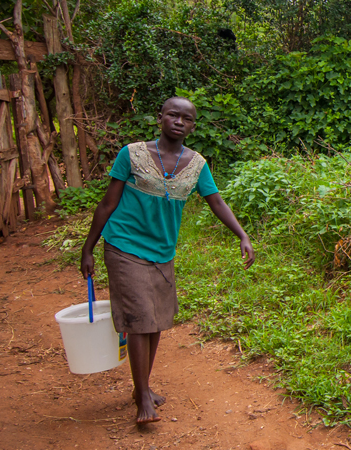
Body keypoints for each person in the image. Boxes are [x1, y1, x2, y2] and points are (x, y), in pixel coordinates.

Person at [80, 96, 255, 424]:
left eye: (186, 118)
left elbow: (216, 202)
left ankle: (140, 388)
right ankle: (143, 394)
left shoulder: (197, 165)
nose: (178, 121)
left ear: (192, 126)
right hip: (124, 246)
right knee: (139, 320)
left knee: (157, 320)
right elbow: (107, 203)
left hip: (162, 252)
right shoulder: (131, 155)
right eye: (172, 115)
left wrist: (242, 235)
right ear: (159, 117)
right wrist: (88, 248)